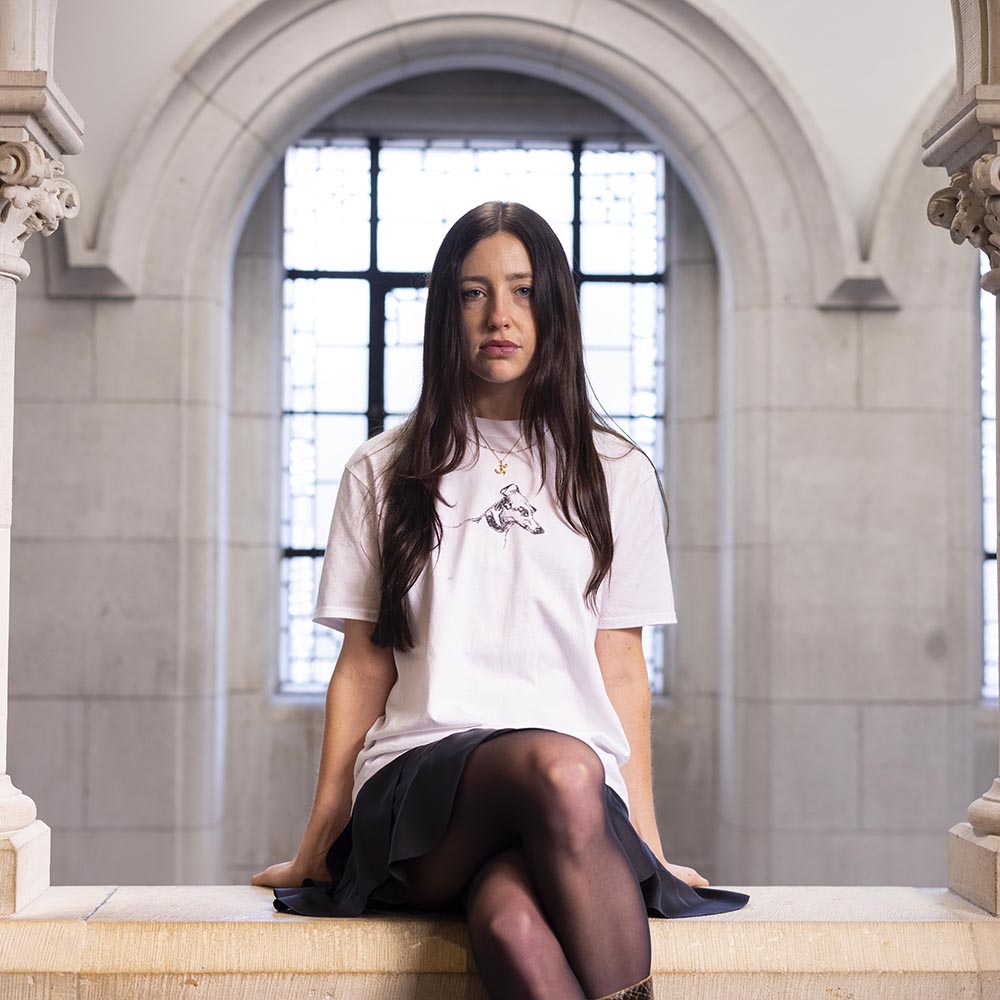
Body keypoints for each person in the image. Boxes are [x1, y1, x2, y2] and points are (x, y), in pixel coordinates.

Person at [251, 201, 750, 999]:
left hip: (575, 803)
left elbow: (619, 663)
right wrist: (320, 836)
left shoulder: (616, 470)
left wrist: (647, 840)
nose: (500, 316)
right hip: (422, 790)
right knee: (557, 764)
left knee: (512, 923)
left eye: (522, 291)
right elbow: (362, 666)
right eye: (473, 293)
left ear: (554, 305)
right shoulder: (382, 470)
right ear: (446, 313)